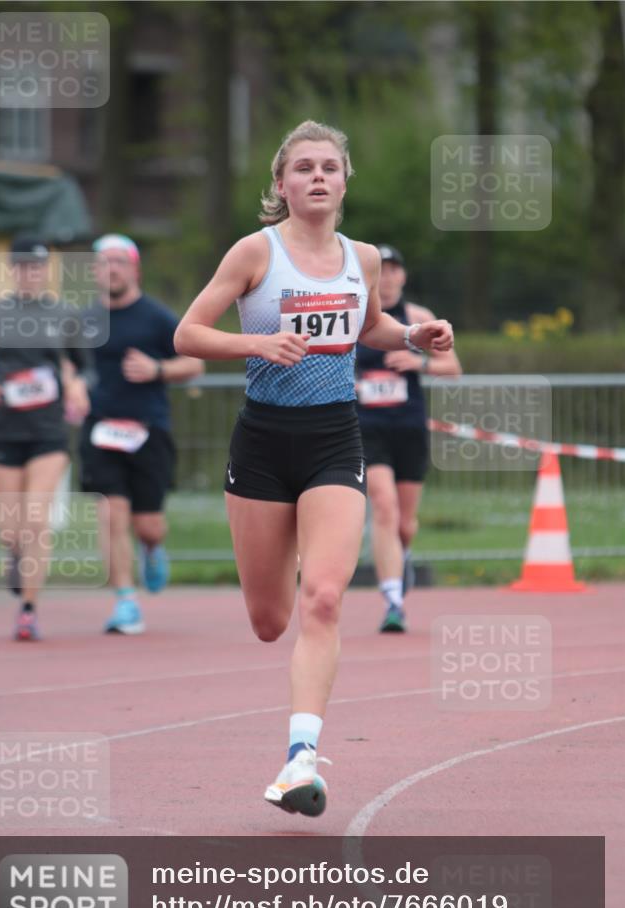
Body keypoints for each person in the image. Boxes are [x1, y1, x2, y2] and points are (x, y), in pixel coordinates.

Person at [175, 120, 455, 818]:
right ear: (281, 183)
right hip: (263, 444)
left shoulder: (362, 258)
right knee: (271, 620)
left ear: (344, 180)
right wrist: (258, 343)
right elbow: (187, 333)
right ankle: (291, 557)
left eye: (329, 166)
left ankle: (300, 757)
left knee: (324, 599)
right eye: (303, 168)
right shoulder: (255, 252)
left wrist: (413, 335)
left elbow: (370, 326)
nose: (318, 177)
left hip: (335, 437)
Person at [0, 236, 93, 640]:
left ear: (46, 270)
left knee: (36, 519)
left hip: (48, 430)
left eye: (36, 267)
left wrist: (78, 385)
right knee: (11, 529)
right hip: (3, 429)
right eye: (22, 267)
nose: (29, 274)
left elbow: (87, 369)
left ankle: (28, 610)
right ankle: (13, 553)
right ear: (12, 270)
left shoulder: (65, 314)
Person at [79, 234, 204, 635]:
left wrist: (158, 370)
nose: (111, 269)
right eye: (103, 263)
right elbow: (66, 364)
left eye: (119, 261)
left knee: (148, 525)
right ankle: (125, 601)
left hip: (148, 430)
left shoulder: (156, 317)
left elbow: (195, 363)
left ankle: (151, 548)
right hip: (100, 430)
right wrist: (71, 386)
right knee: (110, 514)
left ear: (135, 269)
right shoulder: (83, 320)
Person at [355, 245, 462, 633]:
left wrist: (419, 362)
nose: (386, 277)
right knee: (382, 507)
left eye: (393, 270)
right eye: (380, 270)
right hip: (367, 427)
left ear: (403, 276)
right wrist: (353, 383)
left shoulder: (418, 318)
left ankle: (404, 554)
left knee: (404, 523)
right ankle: (393, 601)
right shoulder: (357, 316)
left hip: (409, 427)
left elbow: (452, 368)